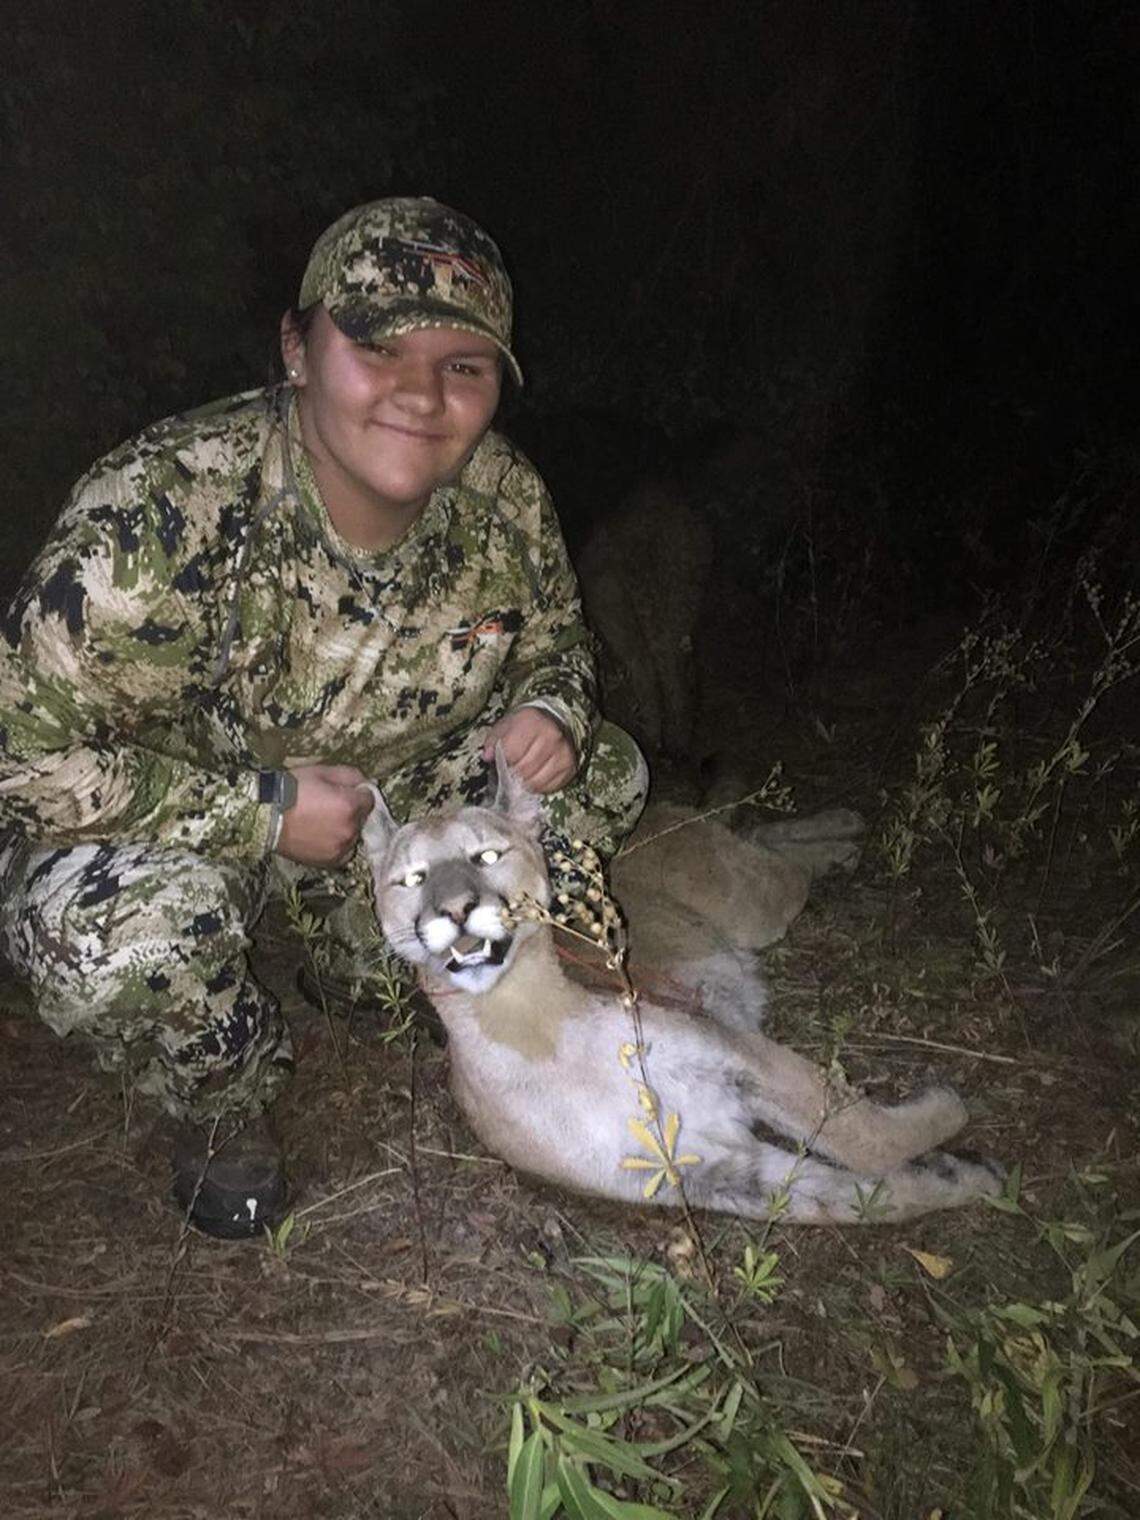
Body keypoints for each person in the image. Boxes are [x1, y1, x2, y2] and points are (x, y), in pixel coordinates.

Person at [0, 197, 647, 1238]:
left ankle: (374, 971)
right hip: (174, 826)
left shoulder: (505, 498)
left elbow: (558, 646)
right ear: (297, 349)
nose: (419, 393)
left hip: (383, 831)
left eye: (463, 365)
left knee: (604, 773)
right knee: (101, 937)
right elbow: (16, 756)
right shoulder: (157, 515)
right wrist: (258, 812)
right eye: (378, 345)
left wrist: (551, 708)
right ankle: (224, 1099)